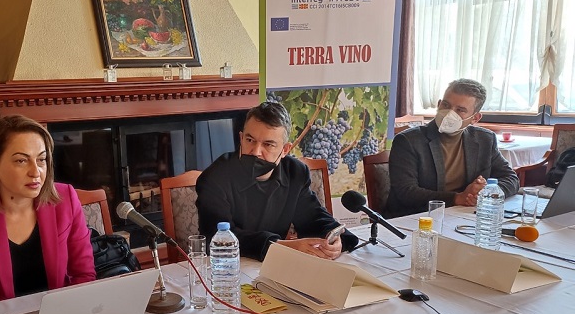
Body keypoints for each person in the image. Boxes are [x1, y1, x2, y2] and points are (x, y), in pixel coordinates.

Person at [0, 115, 95, 306]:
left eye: (41, 159)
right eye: (21, 161)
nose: (36, 172)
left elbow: (84, 275)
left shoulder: (66, 199)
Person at [196, 101, 358, 262]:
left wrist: (335, 238)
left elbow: (313, 218)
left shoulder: (295, 172)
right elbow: (216, 238)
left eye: (268, 144)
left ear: (285, 150)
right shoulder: (215, 177)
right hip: (228, 266)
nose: (256, 152)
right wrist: (281, 246)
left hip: (276, 265)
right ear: (241, 138)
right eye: (250, 140)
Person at [385, 78, 520, 218]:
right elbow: (406, 192)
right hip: (416, 218)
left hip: (465, 216)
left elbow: (511, 179)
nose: (449, 113)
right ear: (439, 104)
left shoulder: (485, 139)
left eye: (460, 110)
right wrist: (457, 198)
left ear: (475, 118)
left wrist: (485, 193)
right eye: (446, 105)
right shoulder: (408, 141)